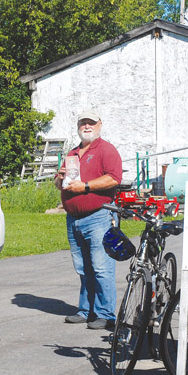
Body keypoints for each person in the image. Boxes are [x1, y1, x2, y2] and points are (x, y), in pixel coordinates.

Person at [55, 110, 123, 330]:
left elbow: (114, 178)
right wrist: (60, 178)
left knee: (102, 267)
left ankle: (106, 314)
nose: (87, 126)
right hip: (74, 218)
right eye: (83, 123)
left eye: (91, 123)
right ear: (78, 126)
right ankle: (87, 310)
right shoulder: (73, 153)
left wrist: (85, 186)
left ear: (99, 124)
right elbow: (61, 185)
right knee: (83, 268)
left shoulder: (106, 149)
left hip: (99, 216)